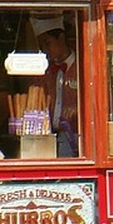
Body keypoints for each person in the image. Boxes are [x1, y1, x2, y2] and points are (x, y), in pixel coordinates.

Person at [30, 12, 79, 156]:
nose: (45, 50)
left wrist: (78, 109)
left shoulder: (83, 67)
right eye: (41, 45)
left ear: (61, 38)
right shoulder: (44, 72)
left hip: (77, 137)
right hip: (48, 138)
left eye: (47, 43)